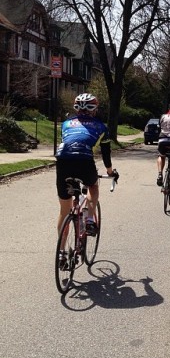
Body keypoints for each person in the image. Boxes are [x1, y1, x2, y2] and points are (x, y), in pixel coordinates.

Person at [55, 93, 117, 262]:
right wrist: (110, 172)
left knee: (64, 210)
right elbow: (105, 154)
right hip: (84, 161)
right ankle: (89, 219)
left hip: (63, 162)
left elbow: (68, 143)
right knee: (93, 186)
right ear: (94, 109)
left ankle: (61, 254)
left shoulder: (66, 123)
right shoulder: (101, 127)